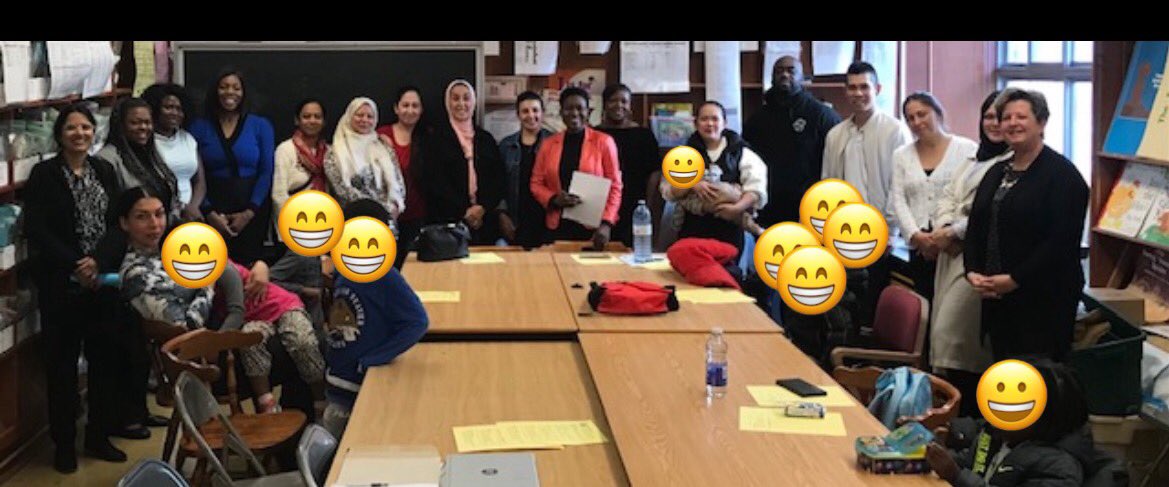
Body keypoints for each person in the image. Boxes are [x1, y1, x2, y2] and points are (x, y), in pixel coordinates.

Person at [23, 104, 127, 471]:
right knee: (62, 370)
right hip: (62, 287)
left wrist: (98, 260)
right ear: (60, 134)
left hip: (103, 283)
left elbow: (119, 224)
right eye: (72, 128)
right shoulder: (44, 174)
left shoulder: (104, 169)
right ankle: (64, 444)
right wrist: (76, 264)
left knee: (104, 365)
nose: (80, 134)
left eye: (86, 127)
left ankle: (98, 436)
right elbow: (37, 229)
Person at [964, 88, 1089, 361]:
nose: (1011, 123)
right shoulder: (998, 170)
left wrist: (1015, 280)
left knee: (1036, 383)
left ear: (1041, 123)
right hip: (996, 297)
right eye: (1006, 117)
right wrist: (972, 270)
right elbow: (976, 225)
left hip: (1042, 300)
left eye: (1021, 116)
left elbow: (1060, 243)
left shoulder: (1063, 177)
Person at [929, 91, 1009, 416]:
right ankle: (952, 418)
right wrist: (943, 226)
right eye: (989, 116)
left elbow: (987, 212)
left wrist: (955, 231)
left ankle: (967, 418)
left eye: (1001, 117)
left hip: (973, 258)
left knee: (956, 339)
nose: (994, 123)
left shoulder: (1010, 165)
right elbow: (947, 194)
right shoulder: (972, 159)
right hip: (948, 254)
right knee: (943, 341)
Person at [322, 199, 429, 439]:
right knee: (331, 448)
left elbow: (417, 322)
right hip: (338, 380)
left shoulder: (382, 274)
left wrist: (374, 359)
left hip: (360, 386)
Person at [821, 61, 912, 334]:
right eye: (852, 87)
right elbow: (828, 184)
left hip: (879, 234)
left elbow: (900, 185)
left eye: (864, 87)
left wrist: (891, 231)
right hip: (840, 234)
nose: (858, 93)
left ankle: (863, 366)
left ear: (877, 89)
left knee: (869, 309)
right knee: (838, 308)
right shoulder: (836, 134)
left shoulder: (894, 131)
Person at [926, 359, 1105, 487]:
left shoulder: (1060, 466)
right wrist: (932, 457)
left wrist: (956, 476)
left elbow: (960, 475)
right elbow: (973, 463)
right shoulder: (999, 437)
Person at [890, 92, 978, 301]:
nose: (916, 122)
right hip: (920, 247)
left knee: (952, 310)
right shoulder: (901, 155)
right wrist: (916, 237)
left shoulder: (967, 149)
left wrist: (948, 235)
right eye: (910, 118)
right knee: (925, 307)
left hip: (955, 245)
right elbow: (898, 199)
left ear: (938, 113)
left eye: (922, 114)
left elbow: (971, 198)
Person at [189, 68, 276, 265]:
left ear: (244, 93)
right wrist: (209, 213)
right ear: (215, 91)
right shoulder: (198, 127)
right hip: (211, 208)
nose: (230, 92)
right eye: (224, 87)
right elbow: (193, 175)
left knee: (248, 270)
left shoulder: (260, 126)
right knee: (209, 266)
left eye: (236, 88)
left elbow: (266, 171)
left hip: (252, 210)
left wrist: (248, 213)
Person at [743, 55, 841, 228]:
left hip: (809, 207)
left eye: (791, 70)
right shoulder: (757, 120)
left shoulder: (821, 115)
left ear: (802, 78)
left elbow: (838, 161)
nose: (785, 75)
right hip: (768, 208)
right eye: (779, 71)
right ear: (772, 78)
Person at [661, 101, 767, 260]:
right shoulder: (683, 154)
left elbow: (756, 189)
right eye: (704, 119)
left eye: (715, 119)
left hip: (729, 233)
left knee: (727, 279)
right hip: (692, 232)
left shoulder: (741, 152)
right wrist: (692, 183)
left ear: (724, 123)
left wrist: (737, 208)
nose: (710, 124)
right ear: (696, 123)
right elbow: (668, 191)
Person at [530, 87, 623, 248]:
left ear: (588, 112)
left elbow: (615, 186)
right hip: (557, 225)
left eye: (580, 108)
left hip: (593, 228)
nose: (574, 113)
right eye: (568, 108)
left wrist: (607, 223)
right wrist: (553, 199)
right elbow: (535, 183)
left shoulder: (604, 142)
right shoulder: (548, 144)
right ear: (561, 112)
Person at [419, 79, 505, 244]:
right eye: (455, 98)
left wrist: (482, 208)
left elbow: (498, 179)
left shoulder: (486, 139)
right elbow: (434, 182)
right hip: (447, 223)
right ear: (447, 102)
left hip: (485, 222)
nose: (461, 104)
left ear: (473, 102)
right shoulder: (435, 139)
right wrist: (464, 211)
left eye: (466, 98)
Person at [595, 83, 661, 246]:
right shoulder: (595, 134)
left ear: (630, 105)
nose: (619, 105)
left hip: (635, 205)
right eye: (613, 101)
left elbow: (654, 172)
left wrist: (648, 203)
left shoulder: (644, 135)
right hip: (602, 205)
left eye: (624, 101)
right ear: (604, 104)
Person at [97, 97, 182, 222]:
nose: (143, 127)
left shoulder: (153, 155)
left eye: (147, 122)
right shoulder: (106, 160)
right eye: (135, 123)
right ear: (121, 126)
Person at [326, 97, 405, 218]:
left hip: (387, 219)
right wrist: (375, 209)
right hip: (354, 219)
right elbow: (341, 189)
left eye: (370, 116)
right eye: (359, 115)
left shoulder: (383, 147)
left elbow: (398, 180)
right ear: (349, 116)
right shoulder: (334, 152)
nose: (364, 120)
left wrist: (394, 205)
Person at [377, 86, 427, 267]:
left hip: (418, 215)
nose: (410, 110)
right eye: (405, 105)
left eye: (415, 106)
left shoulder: (427, 137)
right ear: (396, 108)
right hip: (389, 216)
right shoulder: (381, 136)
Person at [498, 91, 554, 249]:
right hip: (516, 221)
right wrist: (502, 214)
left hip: (546, 221)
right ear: (518, 115)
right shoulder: (506, 146)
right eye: (525, 111)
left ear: (543, 113)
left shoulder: (555, 143)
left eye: (535, 110)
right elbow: (499, 184)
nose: (531, 115)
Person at [141, 83, 205, 222]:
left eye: (179, 109)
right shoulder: (147, 141)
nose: (174, 113)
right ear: (155, 109)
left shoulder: (188, 138)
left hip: (190, 215)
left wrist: (193, 206)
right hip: (160, 216)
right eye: (168, 107)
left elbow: (200, 181)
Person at [273, 99, 331, 216]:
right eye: (306, 116)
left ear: (324, 122)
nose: (312, 121)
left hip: (324, 218)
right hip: (293, 219)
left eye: (317, 117)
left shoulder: (330, 152)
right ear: (297, 120)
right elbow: (278, 195)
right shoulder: (286, 149)